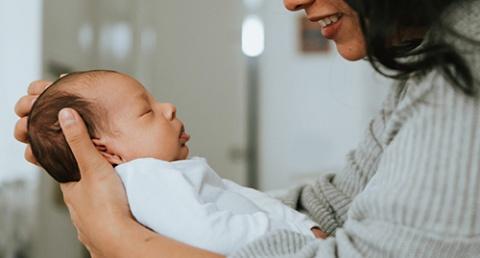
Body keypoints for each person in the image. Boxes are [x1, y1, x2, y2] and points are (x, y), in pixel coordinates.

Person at [13, 0, 480, 257]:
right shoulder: (436, 58)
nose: (291, 1)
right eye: (145, 111)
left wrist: (120, 239)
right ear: (105, 149)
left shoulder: (465, 62)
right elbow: (336, 204)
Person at [27, 70, 318, 255]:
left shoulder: (165, 173)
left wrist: (302, 226)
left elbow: (245, 199)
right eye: (146, 111)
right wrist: (299, 236)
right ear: (108, 152)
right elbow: (210, 237)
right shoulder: (144, 178)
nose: (168, 108)